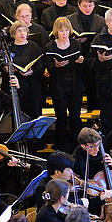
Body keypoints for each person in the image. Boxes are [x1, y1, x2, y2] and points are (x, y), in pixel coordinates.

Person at [44, 17, 85, 151]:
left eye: (67, 30)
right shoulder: (50, 46)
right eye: (61, 31)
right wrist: (55, 65)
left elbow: (83, 68)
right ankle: (61, 147)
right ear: (56, 31)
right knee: (61, 118)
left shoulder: (76, 44)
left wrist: (80, 62)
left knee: (75, 117)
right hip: (58, 86)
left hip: (75, 86)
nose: (64, 33)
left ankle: (76, 147)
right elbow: (48, 68)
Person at [71, 128, 112, 215]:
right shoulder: (75, 160)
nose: (97, 149)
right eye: (93, 146)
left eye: (98, 145)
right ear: (83, 146)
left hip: (107, 197)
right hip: (90, 202)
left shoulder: (102, 155)